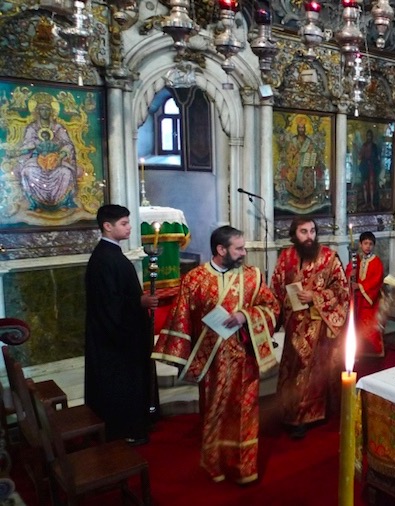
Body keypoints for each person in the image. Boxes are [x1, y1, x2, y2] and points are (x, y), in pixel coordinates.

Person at [152, 226, 280, 484]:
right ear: (221, 250)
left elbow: (272, 307)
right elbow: (181, 317)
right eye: (238, 248)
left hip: (244, 360)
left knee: (245, 413)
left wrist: (245, 315)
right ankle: (215, 463)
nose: (244, 253)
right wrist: (179, 356)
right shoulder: (195, 279)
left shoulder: (253, 276)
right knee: (214, 412)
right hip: (211, 363)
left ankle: (244, 466)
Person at [84, 204, 158, 445]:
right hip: (115, 340)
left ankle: (135, 424)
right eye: (124, 224)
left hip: (121, 333)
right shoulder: (105, 258)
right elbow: (108, 302)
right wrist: (140, 301)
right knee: (121, 385)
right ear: (108, 226)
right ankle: (125, 430)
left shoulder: (111, 254)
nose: (129, 228)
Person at [271, 218, 349, 439]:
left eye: (312, 231)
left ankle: (307, 415)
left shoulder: (329, 257)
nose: (309, 236)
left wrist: (315, 296)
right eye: (303, 231)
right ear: (294, 234)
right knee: (292, 369)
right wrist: (271, 320)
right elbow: (275, 289)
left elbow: (342, 290)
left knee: (311, 370)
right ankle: (289, 411)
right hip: (292, 325)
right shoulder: (285, 257)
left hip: (318, 325)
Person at [12, 92, 83, 210]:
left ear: (51, 111)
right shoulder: (32, 128)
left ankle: (62, 202)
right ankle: (35, 203)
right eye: (42, 109)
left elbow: (68, 144)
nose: (45, 112)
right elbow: (27, 144)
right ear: (37, 111)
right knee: (28, 171)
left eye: (47, 109)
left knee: (66, 173)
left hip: (56, 160)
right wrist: (34, 145)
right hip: (36, 159)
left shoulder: (58, 128)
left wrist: (61, 156)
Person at [347, 231, 385, 357]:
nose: (368, 246)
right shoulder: (356, 260)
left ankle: (373, 350)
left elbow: (377, 280)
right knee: (355, 323)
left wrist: (360, 286)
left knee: (369, 325)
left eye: (370, 244)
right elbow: (348, 273)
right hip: (357, 299)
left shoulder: (377, 262)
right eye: (365, 243)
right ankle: (357, 348)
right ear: (360, 244)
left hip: (369, 300)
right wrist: (350, 275)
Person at [358, 129, 381, 210]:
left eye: (370, 136)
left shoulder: (374, 147)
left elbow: (377, 158)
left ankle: (371, 203)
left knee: (371, 185)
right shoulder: (364, 146)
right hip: (365, 168)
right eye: (367, 136)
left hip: (372, 168)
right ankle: (365, 202)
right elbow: (360, 156)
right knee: (365, 185)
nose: (369, 137)